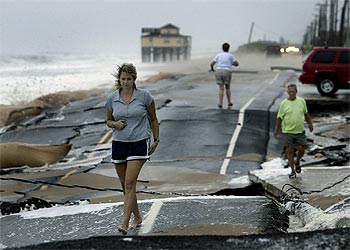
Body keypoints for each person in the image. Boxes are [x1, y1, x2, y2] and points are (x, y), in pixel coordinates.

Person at [105, 63, 159, 235]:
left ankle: (125, 223)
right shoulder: (112, 98)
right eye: (123, 79)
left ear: (134, 79)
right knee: (125, 186)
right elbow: (108, 121)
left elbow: (153, 119)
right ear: (119, 79)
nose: (126, 82)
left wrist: (156, 139)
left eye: (129, 79)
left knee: (129, 183)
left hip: (139, 142)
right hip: (119, 144)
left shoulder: (144, 96)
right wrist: (115, 124)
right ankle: (137, 217)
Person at [274, 84, 313, 179]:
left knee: (301, 149)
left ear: (296, 92)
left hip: (300, 131)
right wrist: (276, 130)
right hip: (288, 131)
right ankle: (292, 171)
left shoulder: (301, 101)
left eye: (293, 92)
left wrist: (310, 124)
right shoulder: (284, 103)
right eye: (290, 92)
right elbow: (279, 118)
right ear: (287, 92)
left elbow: (306, 113)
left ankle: (297, 161)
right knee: (290, 151)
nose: (291, 93)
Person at [210, 42, 239, 109]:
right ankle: (229, 102)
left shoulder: (218, 55)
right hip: (227, 71)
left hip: (218, 71)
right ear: (228, 48)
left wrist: (212, 69)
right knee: (227, 88)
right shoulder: (230, 56)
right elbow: (237, 64)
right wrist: (231, 63)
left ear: (222, 48)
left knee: (221, 89)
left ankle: (220, 103)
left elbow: (211, 63)